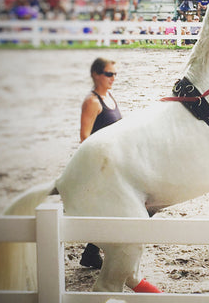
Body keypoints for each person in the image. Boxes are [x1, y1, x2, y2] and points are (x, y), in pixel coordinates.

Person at [79, 57, 122, 269]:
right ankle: (93, 251)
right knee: (111, 208)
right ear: (96, 75)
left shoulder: (110, 97)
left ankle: (91, 252)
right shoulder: (93, 102)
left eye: (115, 74)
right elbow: (85, 137)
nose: (113, 78)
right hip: (101, 164)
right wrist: (101, 160)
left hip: (115, 161)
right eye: (109, 74)